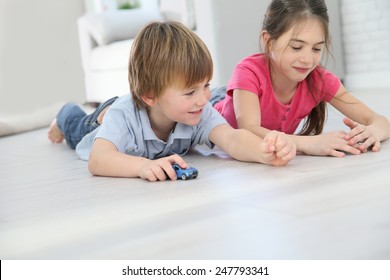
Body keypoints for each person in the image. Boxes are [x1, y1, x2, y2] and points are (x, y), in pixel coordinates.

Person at [48, 21, 296, 181]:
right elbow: (98, 160)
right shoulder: (123, 116)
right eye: (190, 92)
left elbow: (230, 138)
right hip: (99, 123)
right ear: (150, 96)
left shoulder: (198, 109)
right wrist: (142, 166)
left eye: (207, 85)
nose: (203, 99)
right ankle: (63, 113)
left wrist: (263, 153)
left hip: (140, 105)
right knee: (74, 125)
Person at [213, 0, 390, 157]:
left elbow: (380, 120)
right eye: (297, 47)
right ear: (268, 41)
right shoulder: (248, 71)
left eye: (316, 49)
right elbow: (248, 132)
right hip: (216, 104)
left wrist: (373, 131)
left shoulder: (318, 79)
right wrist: (308, 143)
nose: (307, 59)